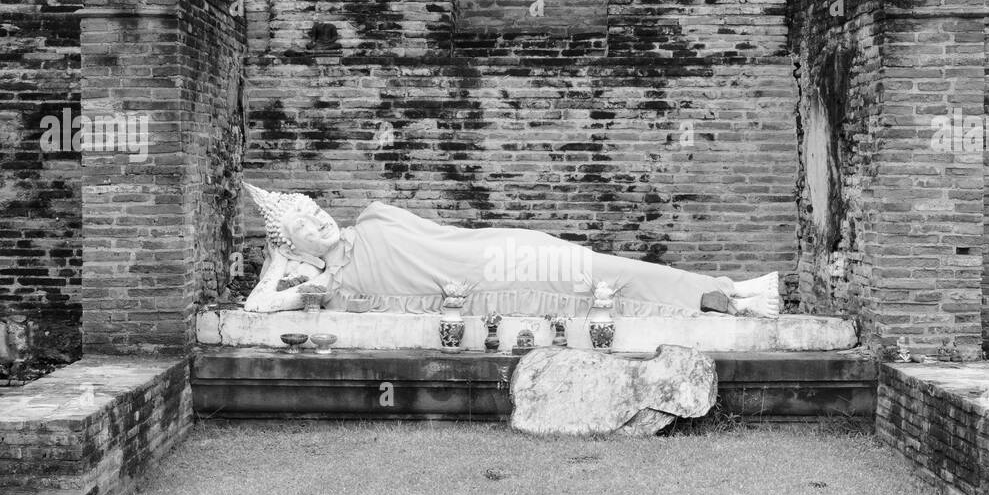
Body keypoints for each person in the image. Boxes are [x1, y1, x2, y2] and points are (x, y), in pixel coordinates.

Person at [241, 184, 780, 318]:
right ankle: (724, 299)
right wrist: (283, 265)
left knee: (600, 268)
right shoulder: (334, 286)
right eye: (304, 227)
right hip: (488, 291)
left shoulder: (374, 217)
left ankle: (727, 292)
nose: (320, 220)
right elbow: (258, 305)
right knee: (599, 291)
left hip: (499, 251)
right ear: (295, 246)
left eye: (314, 210)